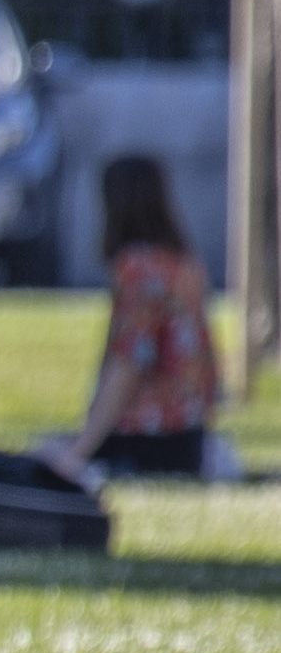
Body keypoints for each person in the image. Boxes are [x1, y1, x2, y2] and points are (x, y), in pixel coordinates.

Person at [58, 154, 218, 479]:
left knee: (39, 457)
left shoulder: (138, 269)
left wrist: (80, 450)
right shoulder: (185, 265)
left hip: (149, 438)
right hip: (190, 435)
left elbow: (128, 363)